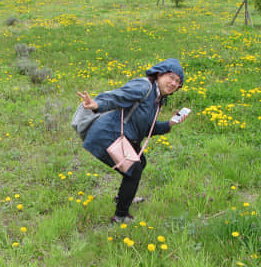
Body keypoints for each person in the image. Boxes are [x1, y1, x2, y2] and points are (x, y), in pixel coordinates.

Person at [76, 58, 187, 224]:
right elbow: (117, 97)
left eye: (178, 81)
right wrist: (96, 104)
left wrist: (170, 123)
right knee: (133, 170)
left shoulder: (157, 99)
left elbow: (148, 128)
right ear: (159, 74)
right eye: (171, 77)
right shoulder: (144, 87)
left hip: (121, 136)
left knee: (140, 162)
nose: (173, 83)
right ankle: (120, 216)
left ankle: (123, 197)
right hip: (107, 134)